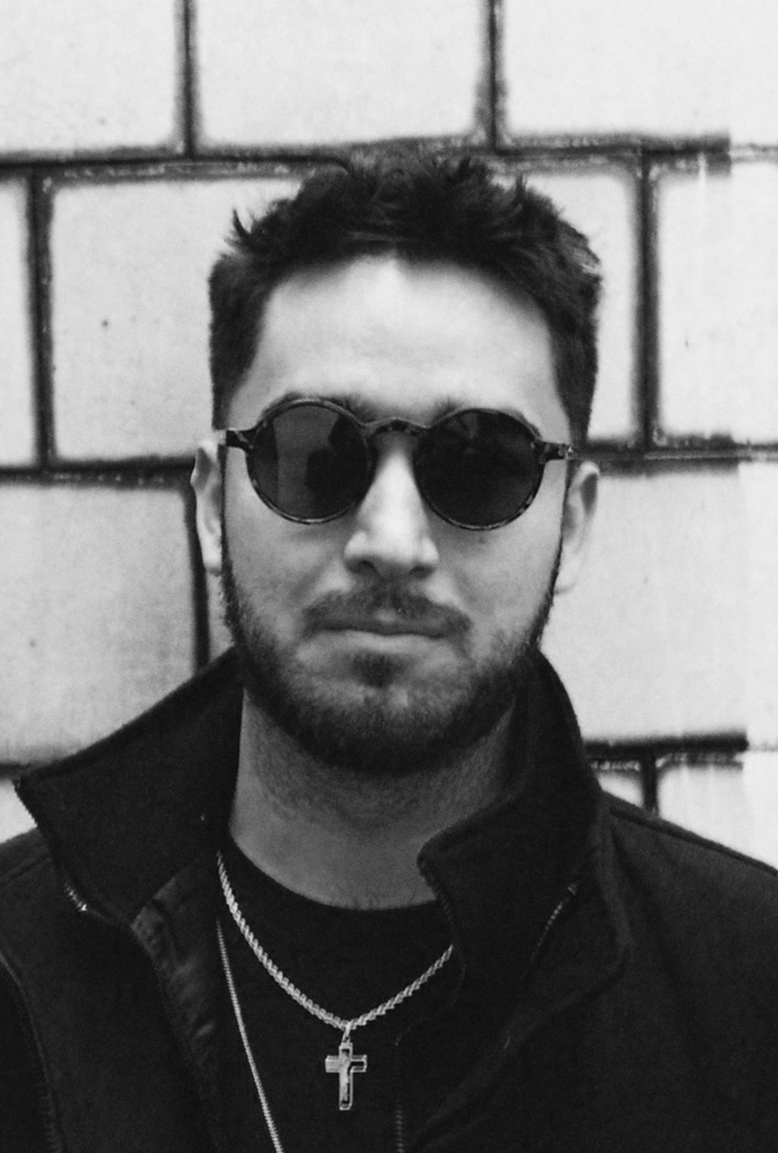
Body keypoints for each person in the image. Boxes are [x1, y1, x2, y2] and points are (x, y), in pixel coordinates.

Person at [1, 149, 777, 1153]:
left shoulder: (746, 995)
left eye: (479, 463)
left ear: (573, 524)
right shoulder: (17, 975)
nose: (390, 542)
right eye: (315, 450)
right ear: (208, 504)